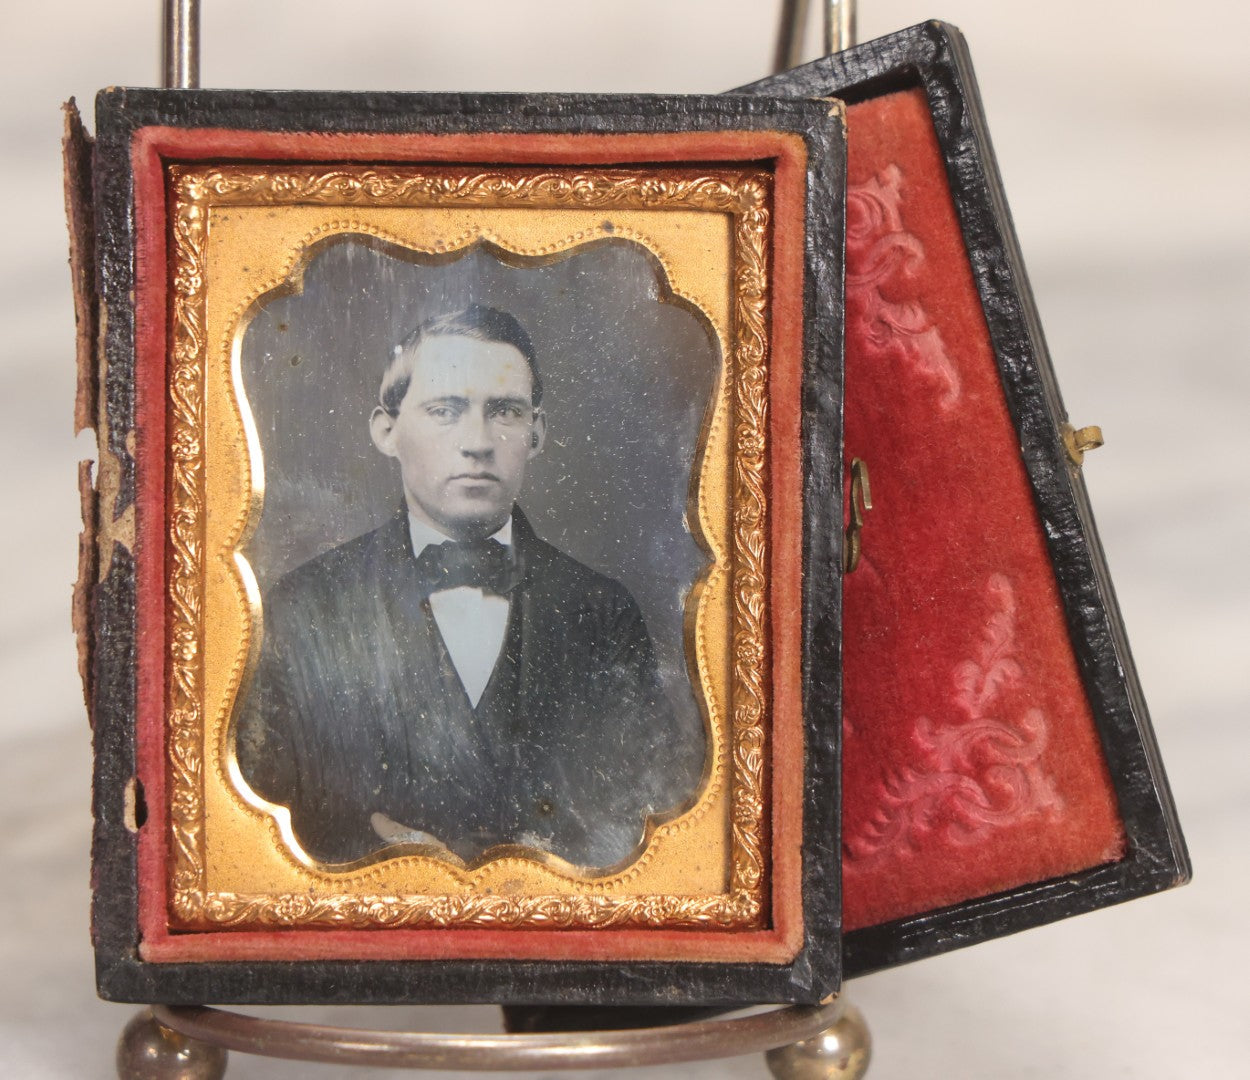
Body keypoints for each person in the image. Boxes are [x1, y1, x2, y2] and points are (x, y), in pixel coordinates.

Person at [235, 304, 704, 868]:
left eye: (503, 411)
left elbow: (649, 822)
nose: (478, 441)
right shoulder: (300, 608)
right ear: (387, 430)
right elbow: (256, 836)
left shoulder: (601, 611)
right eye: (445, 410)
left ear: (536, 432)